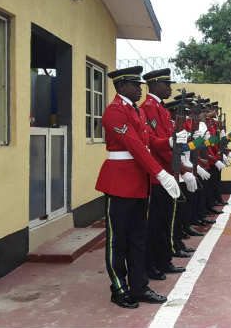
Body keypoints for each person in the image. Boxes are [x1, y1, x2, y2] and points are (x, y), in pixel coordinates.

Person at [95, 66, 184, 309]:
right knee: (117, 240)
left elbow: (149, 143)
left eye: (139, 85)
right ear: (121, 86)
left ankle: (138, 285)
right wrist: (161, 173)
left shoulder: (137, 112)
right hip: (120, 182)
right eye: (135, 85)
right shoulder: (114, 112)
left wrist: (170, 141)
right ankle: (119, 288)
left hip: (138, 182)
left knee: (138, 238)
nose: (139, 89)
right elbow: (134, 146)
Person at [140, 68, 187, 280]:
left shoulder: (160, 108)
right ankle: (153, 264)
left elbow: (170, 140)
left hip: (168, 171)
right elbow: (155, 143)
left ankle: (163, 259)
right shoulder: (149, 108)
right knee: (156, 223)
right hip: (159, 176)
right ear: (155, 84)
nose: (169, 88)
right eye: (166, 84)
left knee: (165, 220)